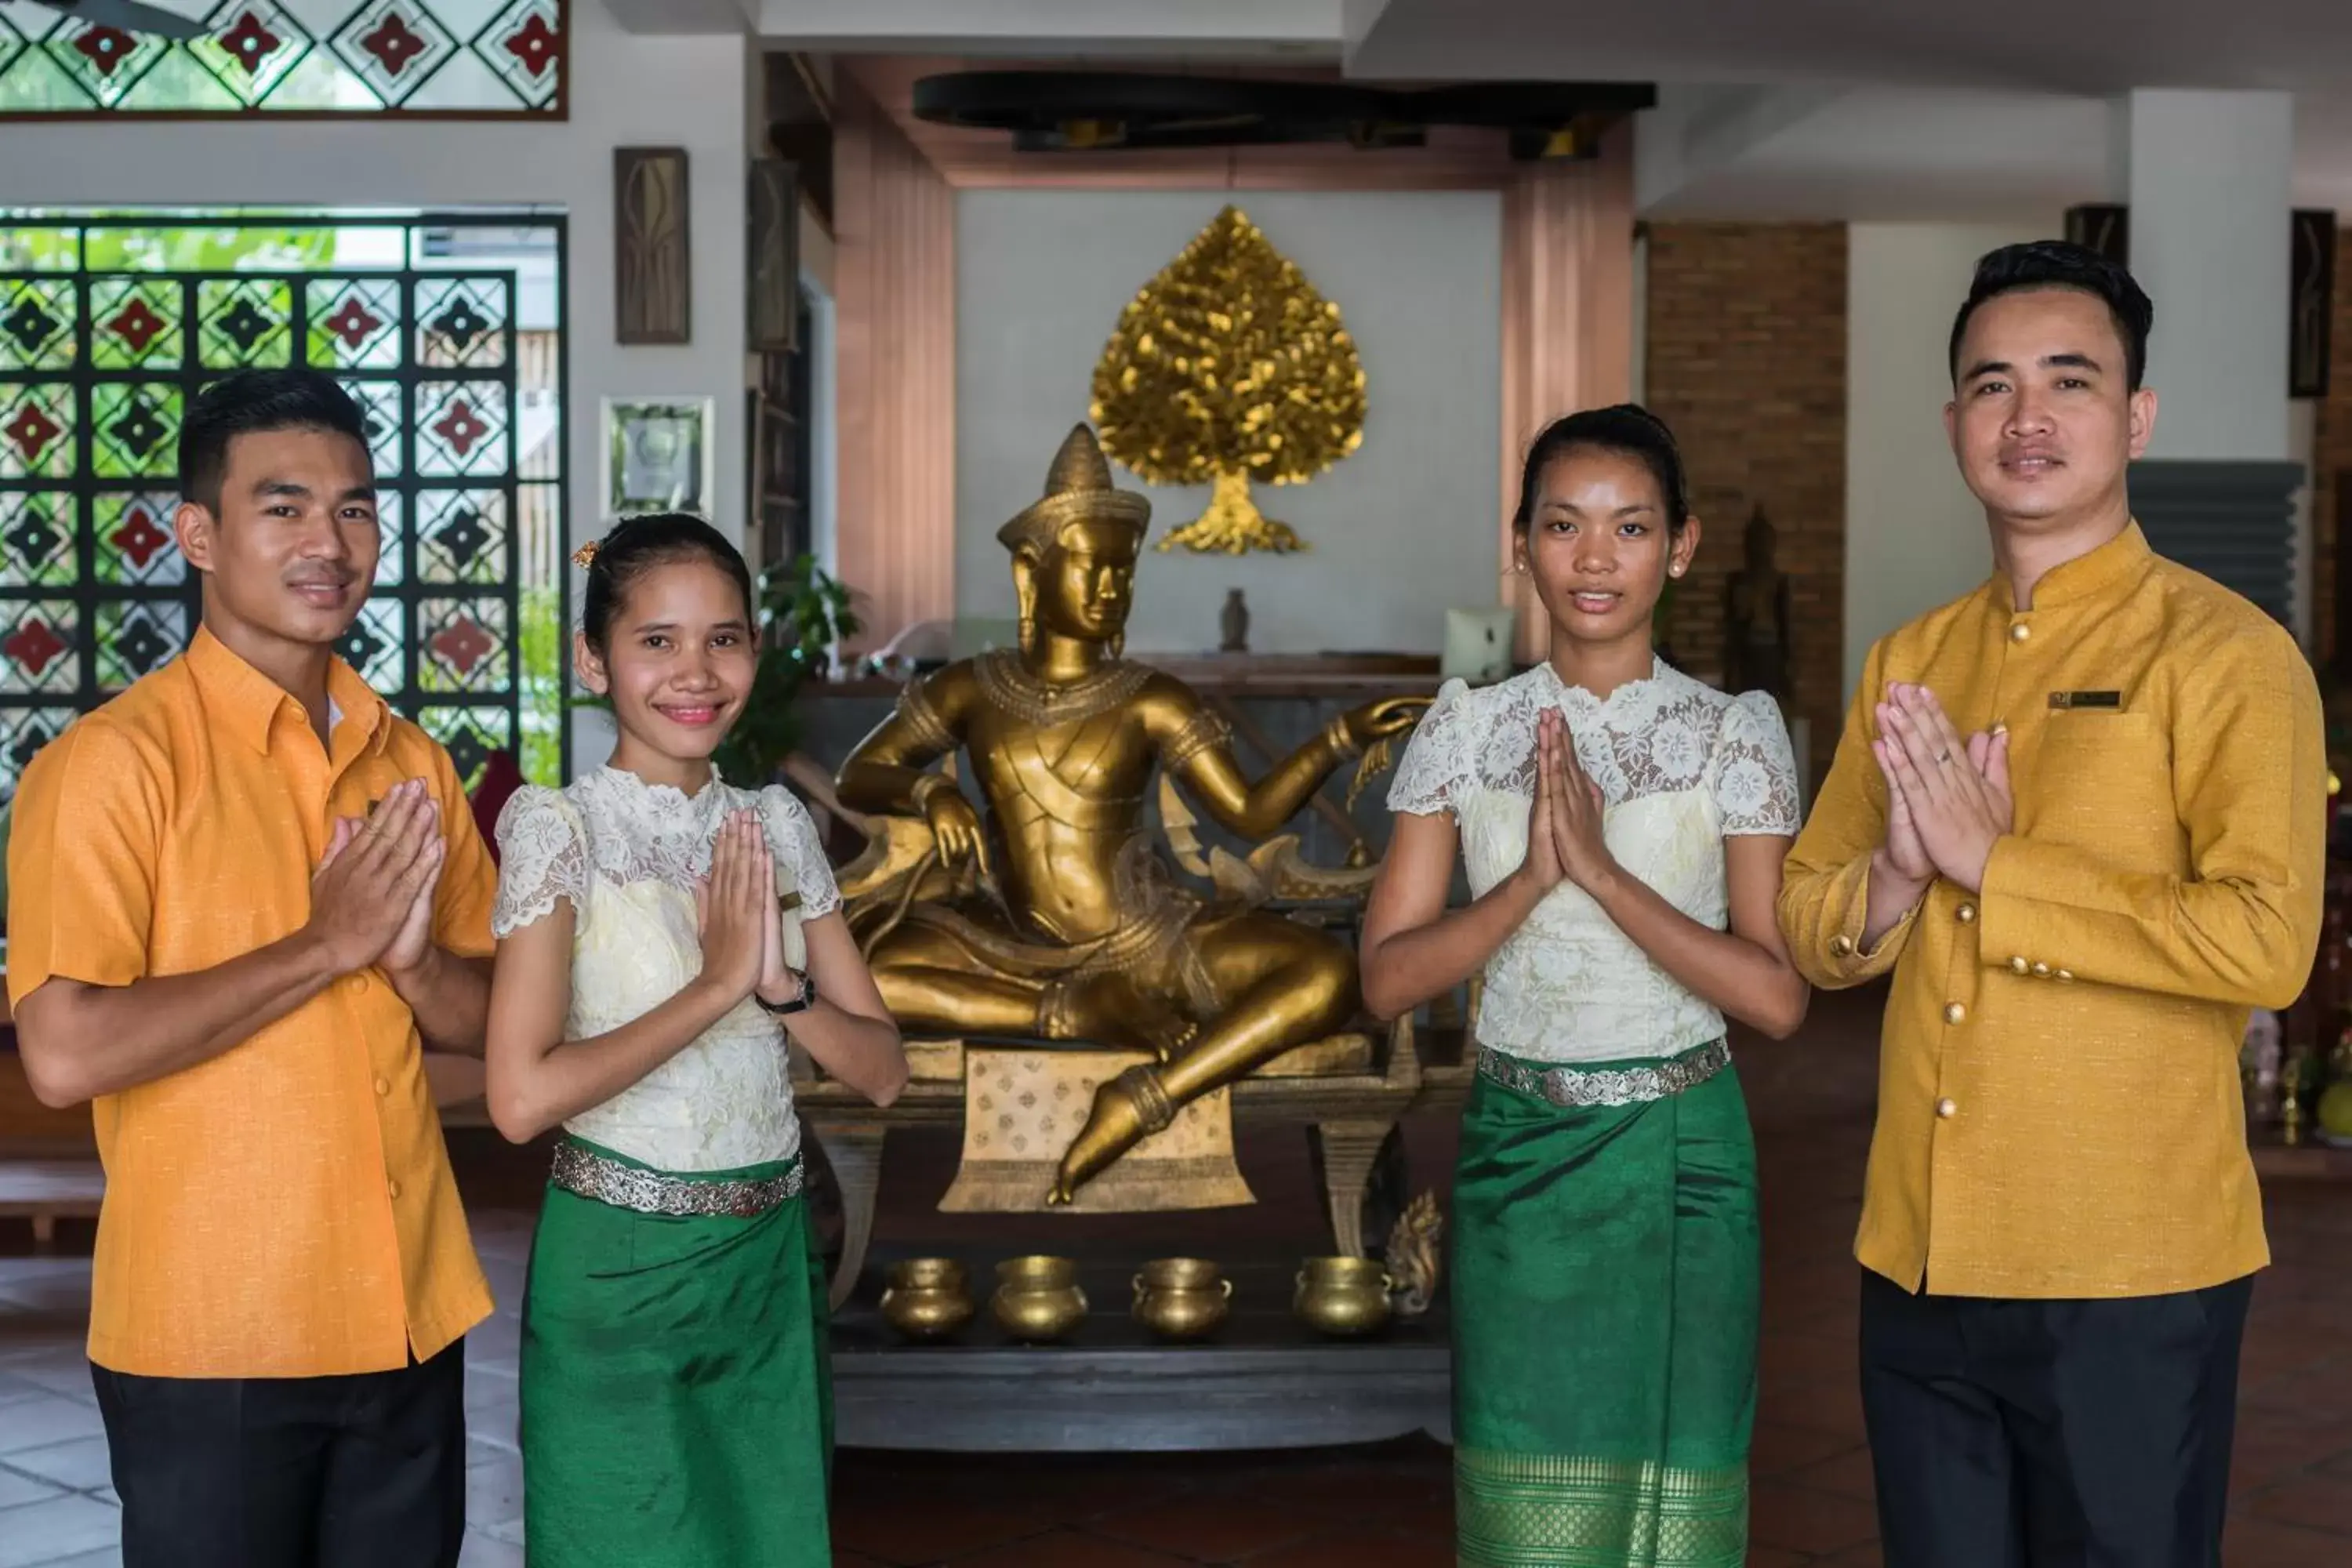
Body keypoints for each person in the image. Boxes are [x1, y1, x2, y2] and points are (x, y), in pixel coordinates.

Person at [1778, 240, 2326, 1566]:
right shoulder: (1912, 658)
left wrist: (1998, 866)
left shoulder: (2232, 655)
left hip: (2128, 1270)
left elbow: (2269, 941)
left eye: (2068, 382)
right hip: (1918, 1255)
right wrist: (1902, 874)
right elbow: (1809, 924)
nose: (2028, 418)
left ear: (2135, 416)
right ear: (1956, 421)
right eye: (1992, 385)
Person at [6, 368, 498, 1567]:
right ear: (198, 535)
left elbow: (493, 1023)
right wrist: (322, 946)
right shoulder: (111, 766)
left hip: (409, 1313)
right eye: (284, 507)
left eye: (355, 509)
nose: (329, 542)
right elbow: (65, 1052)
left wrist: (413, 964)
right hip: (213, 1331)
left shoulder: (410, 762)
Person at [1361, 405, 1809, 1566]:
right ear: (1522, 543)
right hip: (1518, 1155)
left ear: (1683, 545)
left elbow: (1775, 998)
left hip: (1683, 1161)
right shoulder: (1466, 730)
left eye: (1630, 527)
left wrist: (1605, 877)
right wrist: (1524, 887)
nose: (1596, 558)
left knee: (1678, 1511)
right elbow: (1387, 979)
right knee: (1527, 1521)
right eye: (1564, 526)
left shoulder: (1731, 736)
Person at [485, 513, 908, 1568]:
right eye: (657, 641)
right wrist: (720, 984)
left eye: (724, 639)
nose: (695, 672)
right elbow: (520, 1099)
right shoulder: (558, 830)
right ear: (594, 658)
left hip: (767, 1265)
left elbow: (885, 1071)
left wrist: (779, 988)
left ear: (756, 655)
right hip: (619, 1276)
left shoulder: (776, 824)